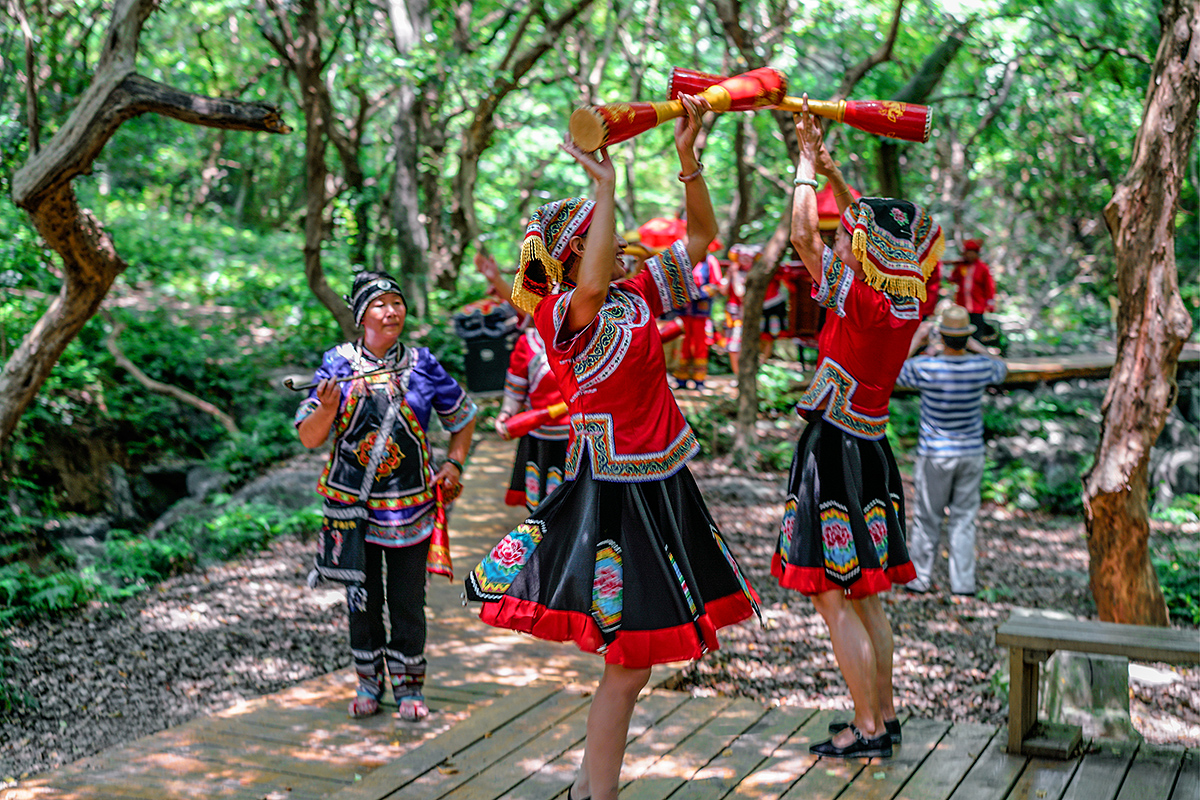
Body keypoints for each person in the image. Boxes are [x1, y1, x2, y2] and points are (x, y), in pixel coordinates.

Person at [464, 95, 760, 800]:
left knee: (634, 663)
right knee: (629, 661)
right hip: (614, 493)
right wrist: (603, 186)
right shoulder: (560, 313)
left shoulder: (634, 296)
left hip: (660, 483)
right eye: (595, 230)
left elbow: (700, 241)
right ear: (569, 252)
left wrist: (689, 162)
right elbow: (591, 281)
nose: (611, 237)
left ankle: (588, 784)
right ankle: (597, 793)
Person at [774, 97, 943, 760]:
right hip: (870, 447)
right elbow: (865, 229)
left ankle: (868, 728)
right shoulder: (909, 295)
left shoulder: (860, 298)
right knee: (868, 593)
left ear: (866, 251)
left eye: (851, 234)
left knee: (829, 594)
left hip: (832, 449)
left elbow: (801, 238)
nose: (843, 235)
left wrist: (802, 171)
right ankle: (885, 717)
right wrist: (829, 162)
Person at [295, 270, 477, 722]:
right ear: (361, 316)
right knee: (362, 599)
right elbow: (309, 437)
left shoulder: (422, 363)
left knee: (407, 599)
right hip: (351, 510)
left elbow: (464, 415)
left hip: (410, 506)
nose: (391, 311)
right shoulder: (335, 365)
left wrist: (453, 463)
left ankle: (410, 687)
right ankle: (368, 681)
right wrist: (330, 407)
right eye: (380, 304)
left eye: (397, 302)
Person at [896, 305, 1007, 596]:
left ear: (941, 337)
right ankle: (963, 583)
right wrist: (974, 345)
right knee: (963, 518)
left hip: (935, 453)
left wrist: (917, 342)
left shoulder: (926, 367)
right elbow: (1001, 368)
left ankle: (919, 578)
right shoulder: (980, 367)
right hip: (971, 452)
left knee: (927, 516)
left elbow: (894, 370)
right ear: (965, 337)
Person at [476, 252, 570, 510]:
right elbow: (515, 390)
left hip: (580, 437)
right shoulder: (526, 343)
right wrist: (506, 414)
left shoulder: (581, 338)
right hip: (539, 438)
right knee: (542, 508)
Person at [672, 250, 722, 389]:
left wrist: (699, 293)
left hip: (701, 309)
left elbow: (716, 284)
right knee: (683, 342)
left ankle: (699, 379)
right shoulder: (682, 259)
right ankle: (681, 377)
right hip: (683, 308)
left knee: (700, 343)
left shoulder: (710, 261)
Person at [948, 239, 999, 348]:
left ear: (977, 254)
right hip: (962, 307)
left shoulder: (983, 268)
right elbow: (952, 279)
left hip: (977, 307)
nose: (970, 255)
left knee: (977, 331)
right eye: (968, 253)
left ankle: (976, 352)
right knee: (962, 330)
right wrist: (956, 267)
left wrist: (990, 303)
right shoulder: (962, 266)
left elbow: (989, 287)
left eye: (972, 253)